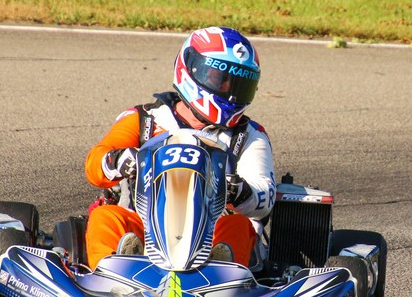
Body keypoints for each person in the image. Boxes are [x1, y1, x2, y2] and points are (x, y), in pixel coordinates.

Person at [84, 27, 276, 270]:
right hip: (144, 227)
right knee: (106, 217)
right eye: (220, 79)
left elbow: (265, 196)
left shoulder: (248, 136)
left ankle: (221, 274)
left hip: (210, 233)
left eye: (239, 86)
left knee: (238, 226)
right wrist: (118, 160)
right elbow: (94, 166)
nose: (230, 94)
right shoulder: (145, 119)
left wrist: (240, 191)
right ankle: (114, 273)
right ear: (191, 69)